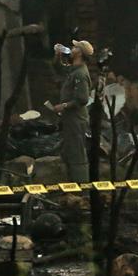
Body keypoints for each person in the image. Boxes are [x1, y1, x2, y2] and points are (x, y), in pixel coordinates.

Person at [52, 40, 94, 183]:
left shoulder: (81, 74)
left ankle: (82, 187)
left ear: (80, 53)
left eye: (75, 47)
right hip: (69, 119)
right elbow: (59, 69)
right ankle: (72, 185)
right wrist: (58, 56)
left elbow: (82, 99)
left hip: (76, 119)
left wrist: (63, 106)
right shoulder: (73, 69)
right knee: (69, 152)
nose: (72, 48)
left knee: (77, 154)